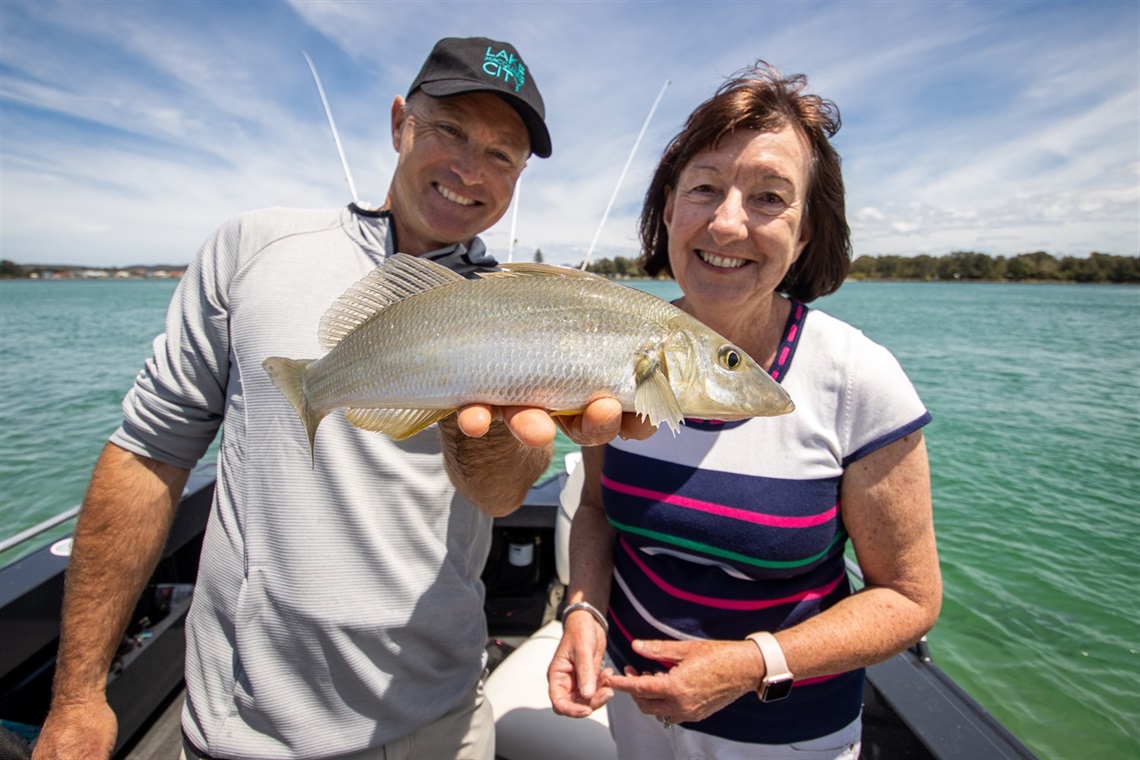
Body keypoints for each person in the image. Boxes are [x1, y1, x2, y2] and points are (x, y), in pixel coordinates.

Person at [33, 37, 647, 760]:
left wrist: (486, 434)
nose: (469, 169)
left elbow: (501, 496)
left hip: (441, 717)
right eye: (449, 129)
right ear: (400, 124)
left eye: (502, 155)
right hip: (243, 727)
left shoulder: (521, 302)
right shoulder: (251, 250)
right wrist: (77, 695)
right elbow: (149, 454)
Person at [547, 62, 942, 759]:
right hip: (632, 712)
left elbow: (910, 601)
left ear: (809, 232)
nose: (727, 223)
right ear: (668, 209)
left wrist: (752, 663)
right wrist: (583, 610)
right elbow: (598, 512)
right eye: (704, 188)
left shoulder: (858, 379)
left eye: (768, 198)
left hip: (789, 736)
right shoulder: (617, 348)